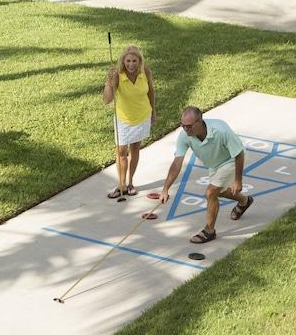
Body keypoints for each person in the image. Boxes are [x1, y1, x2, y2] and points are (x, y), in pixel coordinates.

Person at [159, 106, 254, 243]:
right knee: (219, 192)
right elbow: (177, 163)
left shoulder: (220, 130)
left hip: (231, 160)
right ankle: (245, 201)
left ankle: (209, 231)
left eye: (189, 126)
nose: (186, 129)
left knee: (211, 192)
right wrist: (165, 188)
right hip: (215, 165)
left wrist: (238, 180)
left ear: (200, 122)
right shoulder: (184, 136)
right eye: (183, 126)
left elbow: (239, 154)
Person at [102, 45, 156, 198]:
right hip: (124, 119)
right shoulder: (117, 75)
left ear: (140, 61)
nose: (131, 64)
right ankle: (121, 185)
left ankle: (130, 182)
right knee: (121, 152)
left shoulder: (145, 71)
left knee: (135, 149)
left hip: (142, 115)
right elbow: (107, 100)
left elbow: (151, 91)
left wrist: (153, 112)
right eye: (128, 61)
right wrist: (109, 82)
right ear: (123, 61)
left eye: (134, 61)